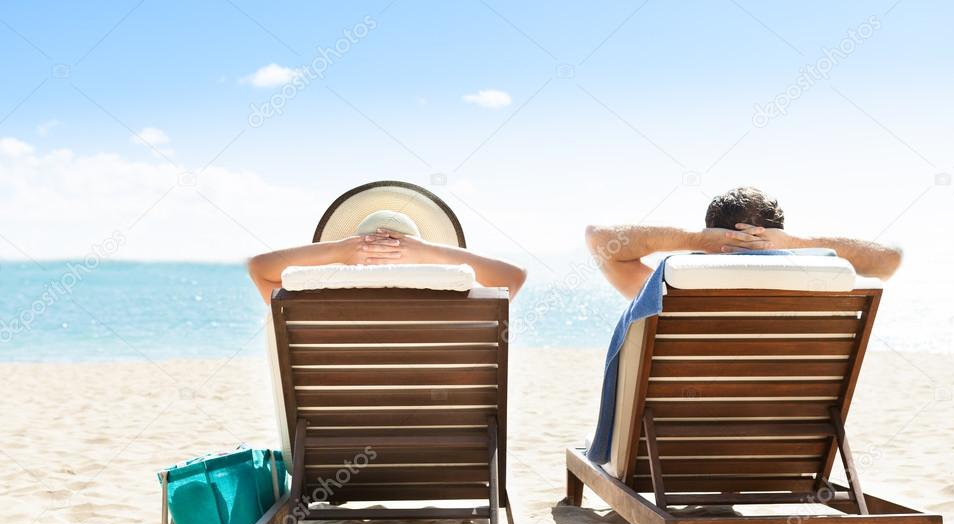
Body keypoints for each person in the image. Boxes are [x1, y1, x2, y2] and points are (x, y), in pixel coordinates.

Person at [585, 186, 903, 299]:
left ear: (711, 235)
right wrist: (793, 243)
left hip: (676, 440)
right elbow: (890, 260)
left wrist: (694, 240)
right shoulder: (817, 289)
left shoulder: (668, 293)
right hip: (791, 440)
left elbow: (598, 239)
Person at [247, 185, 527, 303]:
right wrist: (427, 252)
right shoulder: (455, 296)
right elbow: (514, 277)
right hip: (437, 421)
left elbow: (258, 267)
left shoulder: (315, 298)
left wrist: (341, 250)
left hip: (335, 424)